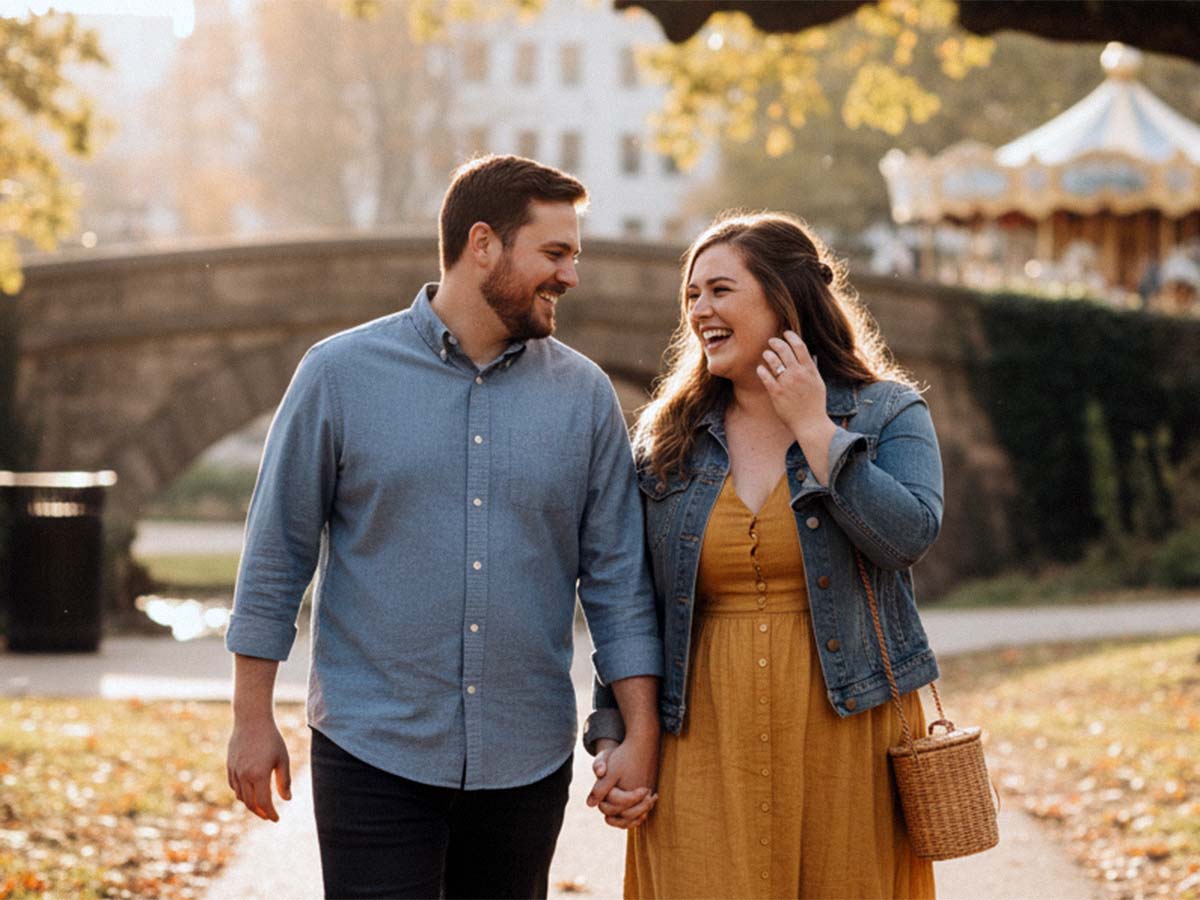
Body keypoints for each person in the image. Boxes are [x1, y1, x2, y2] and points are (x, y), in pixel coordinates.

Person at [224, 154, 663, 900]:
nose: (571, 276)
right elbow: (277, 554)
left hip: (525, 760)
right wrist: (250, 717)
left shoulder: (585, 398)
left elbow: (619, 582)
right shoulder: (339, 375)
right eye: (555, 253)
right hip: (372, 750)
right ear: (483, 244)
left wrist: (641, 734)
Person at [587, 211, 943, 899]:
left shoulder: (887, 412)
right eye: (692, 294)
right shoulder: (669, 437)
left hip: (848, 732)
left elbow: (907, 538)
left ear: (784, 298)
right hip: (701, 737)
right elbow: (629, 597)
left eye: (720, 290)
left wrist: (815, 428)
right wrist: (614, 736)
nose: (699, 310)